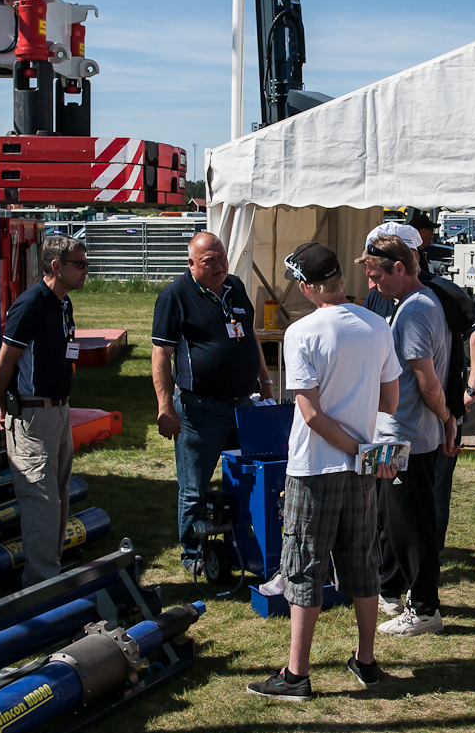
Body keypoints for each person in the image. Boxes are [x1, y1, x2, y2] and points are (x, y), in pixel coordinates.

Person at [246, 243, 401, 701]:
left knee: (303, 567)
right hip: (359, 469)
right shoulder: (377, 326)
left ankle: (296, 675)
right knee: (362, 562)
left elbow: (311, 414)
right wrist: (363, 450)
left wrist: (355, 449)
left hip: (314, 467)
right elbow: (390, 402)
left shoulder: (301, 332)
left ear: (307, 286)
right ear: (339, 278)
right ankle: (366, 660)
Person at [363, 215, 475, 552]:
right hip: (388, 423)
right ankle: (395, 567)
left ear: (406, 258)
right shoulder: (380, 294)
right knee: (385, 503)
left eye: (379, 260)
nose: (373, 276)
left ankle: (424, 565)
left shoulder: (436, 293)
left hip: (426, 423)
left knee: (426, 501)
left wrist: (469, 393)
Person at [151, 231, 275, 572]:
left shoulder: (235, 286)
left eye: (222, 257)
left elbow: (249, 336)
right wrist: (165, 407)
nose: (219, 265)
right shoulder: (175, 296)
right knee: (194, 487)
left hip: (242, 404)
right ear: (191, 264)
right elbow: (160, 355)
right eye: (209, 261)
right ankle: (193, 556)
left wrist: (265, 382)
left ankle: (245, 546)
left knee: (247, 478)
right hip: (200, 409)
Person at [361, 233, 456, 637]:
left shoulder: (416, 310)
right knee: (391, 520)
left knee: (411, 527)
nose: (371, 285)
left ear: (399, 268)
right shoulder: (412, 304)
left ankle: (424, 608)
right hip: (395, 435)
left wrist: (448, 418)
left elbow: (428, 383)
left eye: (376, 276)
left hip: (405, 438)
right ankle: (397, 594)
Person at [0, 233, 88, 586]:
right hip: (32, 415)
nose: (86, 270)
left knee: (58, 497)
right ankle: (41, 584)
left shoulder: (63, 304)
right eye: (80, 264)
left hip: (59, 412)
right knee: (41, 501)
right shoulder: (30, 304)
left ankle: (51, 572)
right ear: (56, 266)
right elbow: (1, 367)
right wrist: (4, 410)